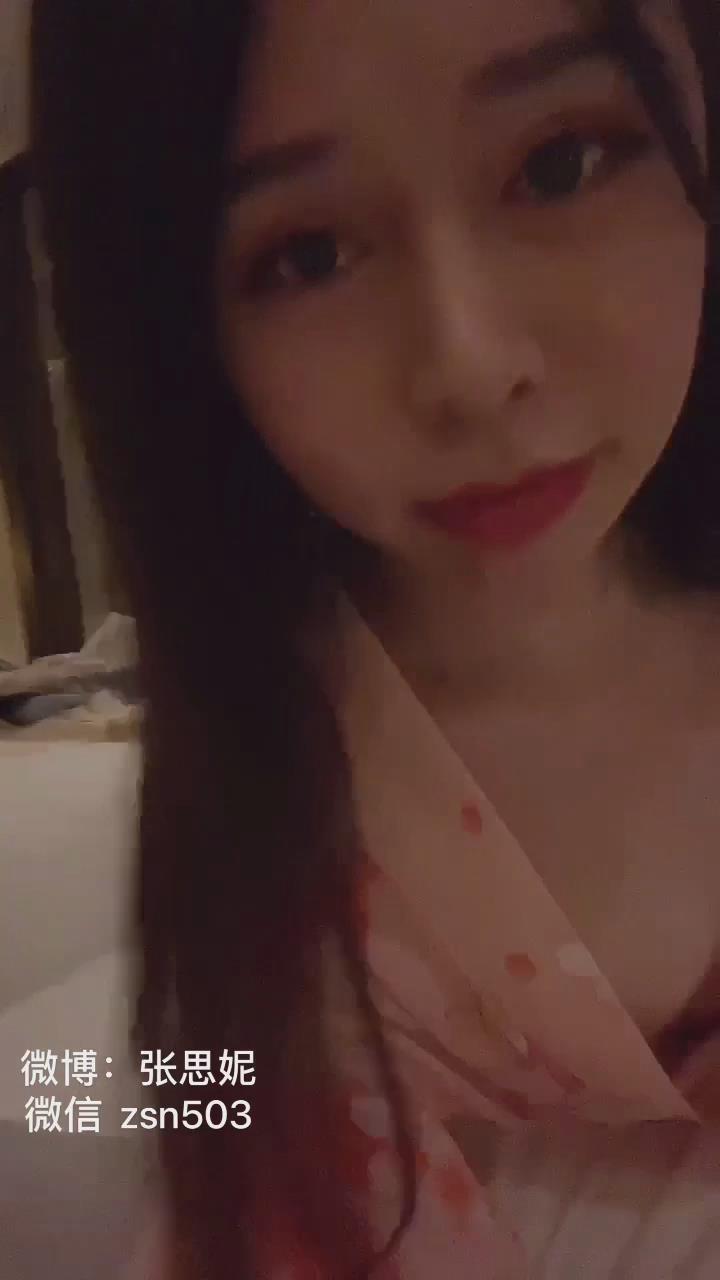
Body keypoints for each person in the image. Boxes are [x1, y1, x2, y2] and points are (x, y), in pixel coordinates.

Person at [29, 0, 720, 1275]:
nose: (470, 364)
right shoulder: (279, 795)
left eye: (560, 162)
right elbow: (197, 1102)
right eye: (308, 255)